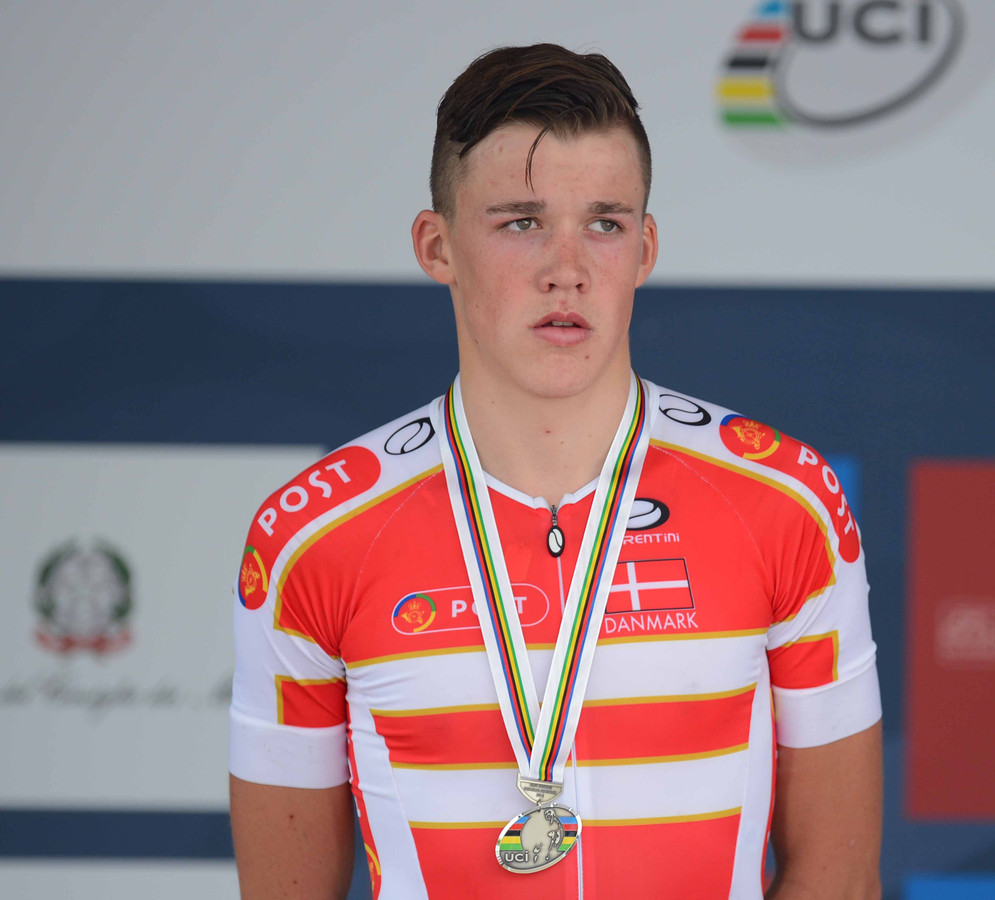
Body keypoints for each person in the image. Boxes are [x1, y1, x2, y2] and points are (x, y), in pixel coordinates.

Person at [228, 43, 882, 900]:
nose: (566, 270)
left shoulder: (786, 503)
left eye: (604, 224)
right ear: (437, 246)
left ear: (645, 249)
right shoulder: (311, 538)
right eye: (521, 222)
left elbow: (839, 879)